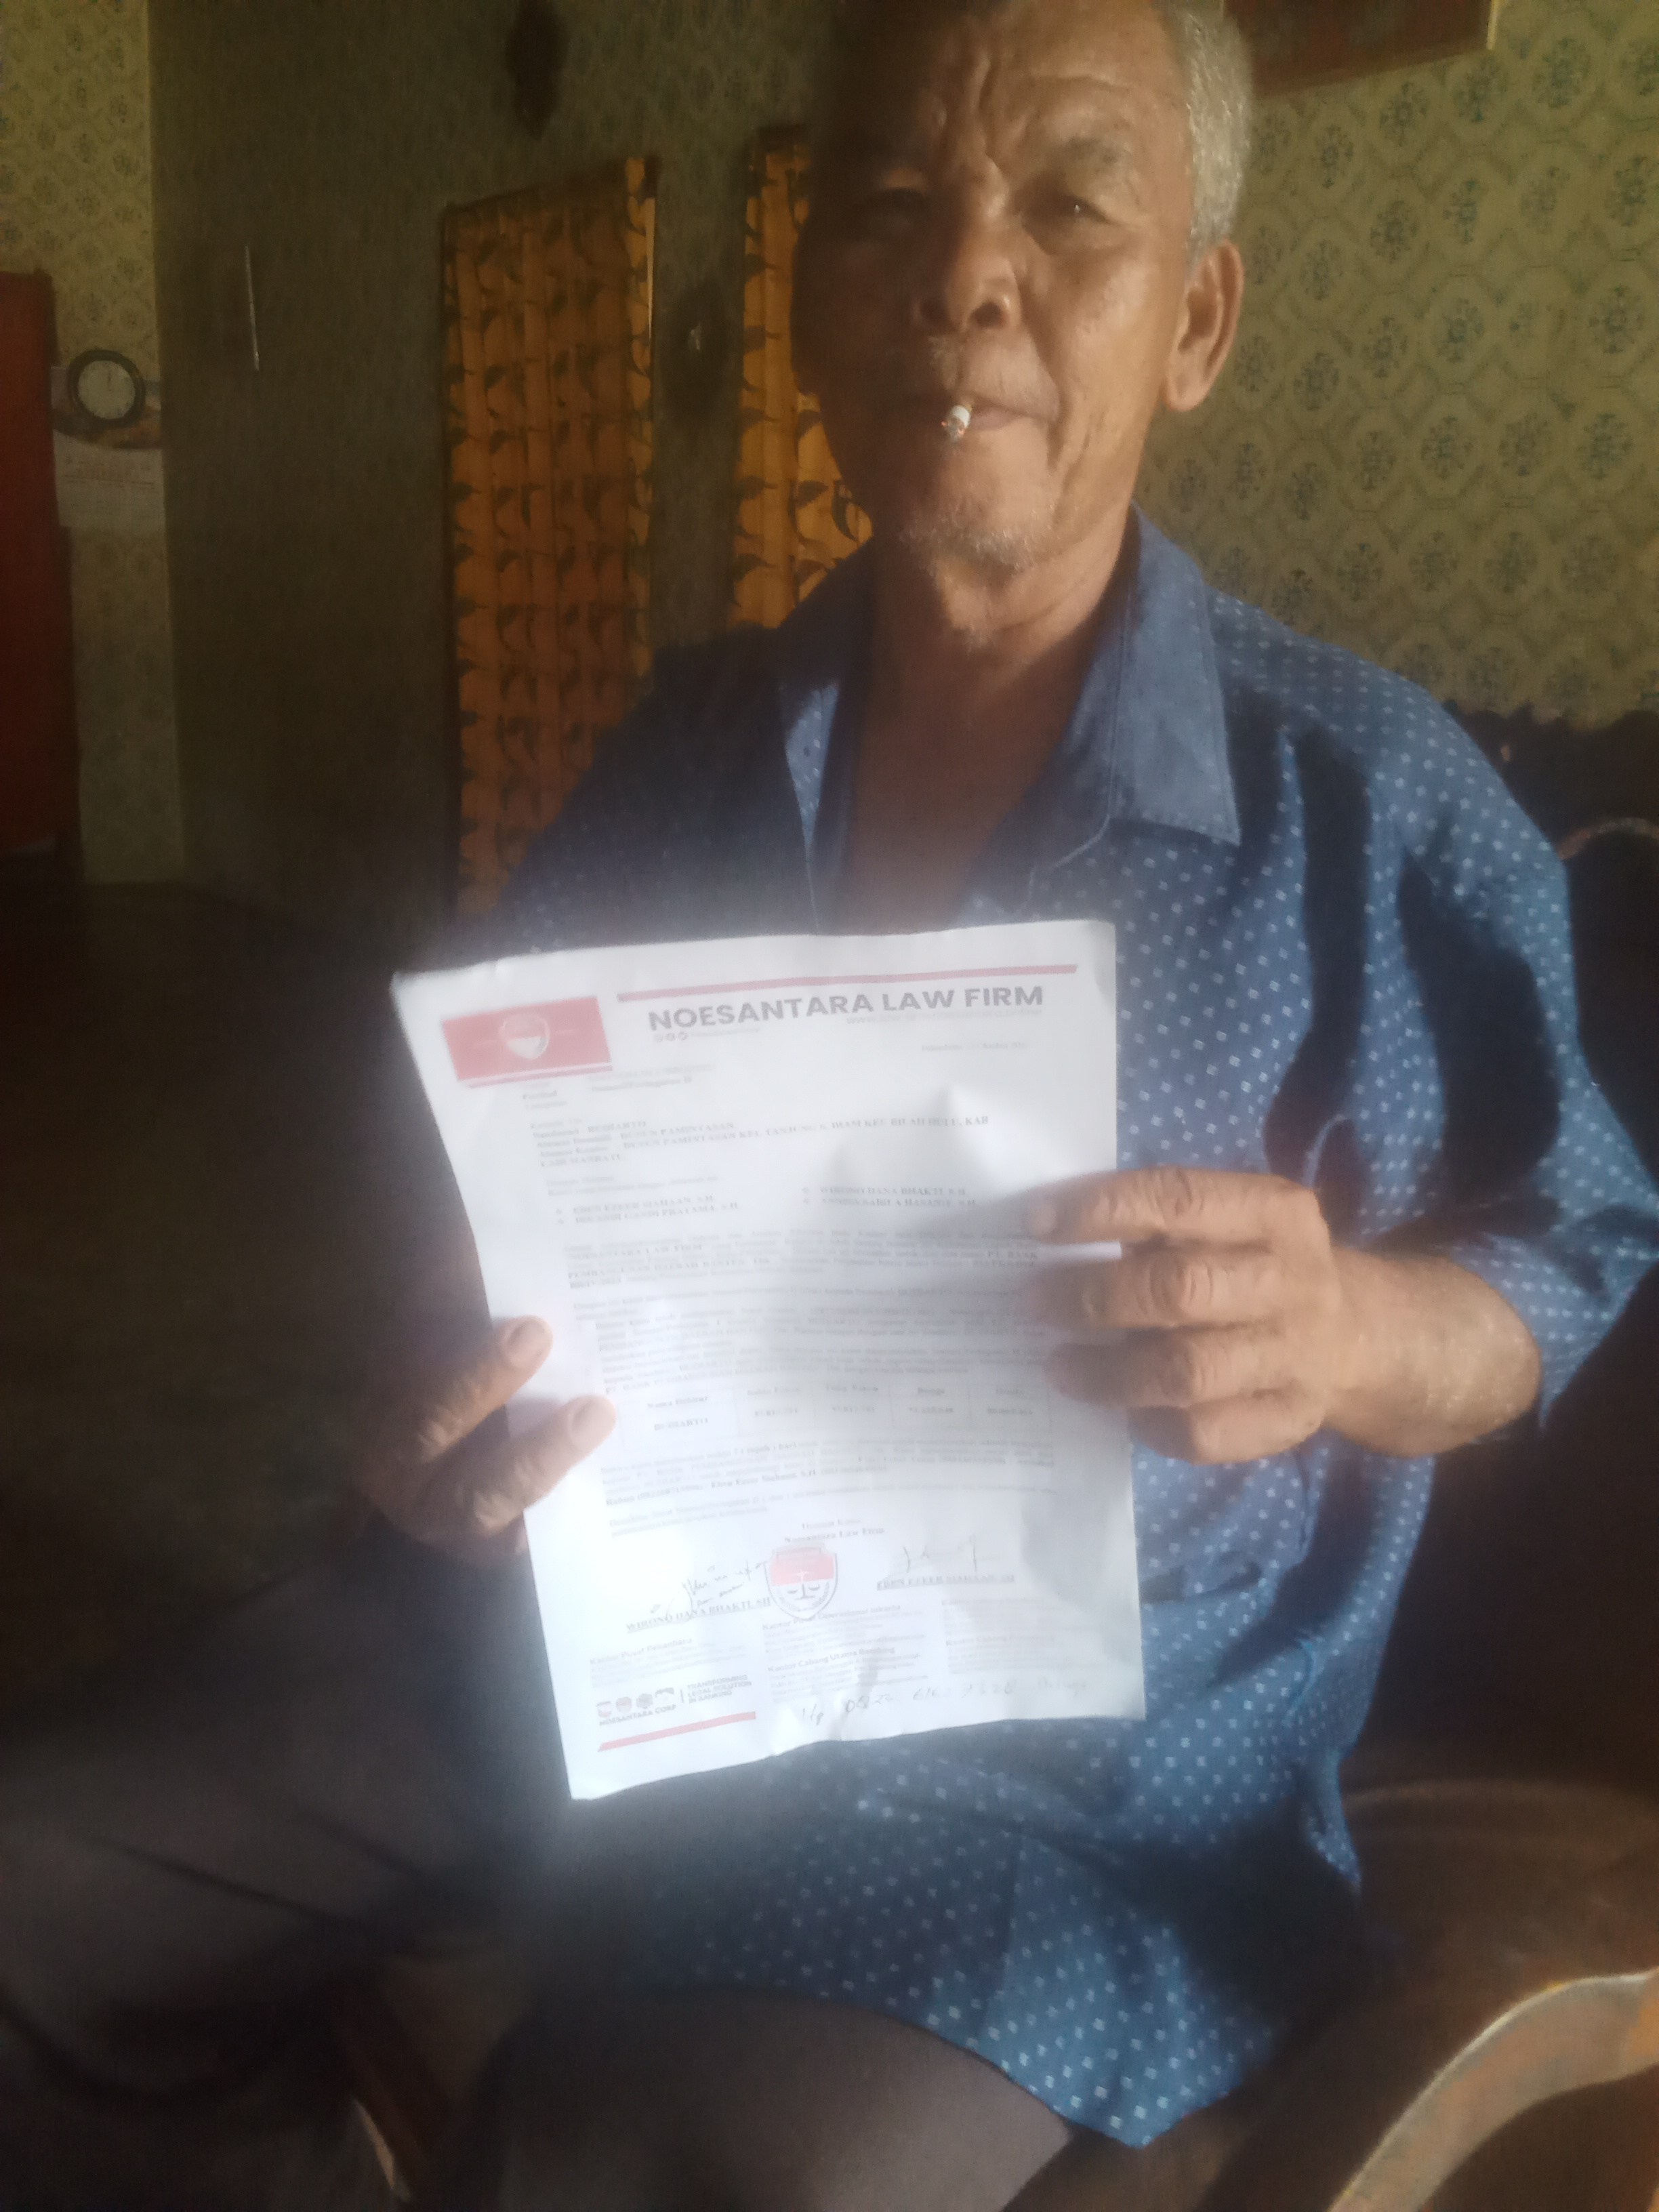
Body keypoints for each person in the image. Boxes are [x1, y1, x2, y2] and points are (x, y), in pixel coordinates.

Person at [3, 1, 1656, 2206]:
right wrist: (443, 1366)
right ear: (803, 297)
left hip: (1065, 1787)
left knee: (634, 2156)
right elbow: (490, 1171)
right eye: (890, 202)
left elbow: (1577, 1248)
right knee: (31, 1879)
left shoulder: (1373, 812)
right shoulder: (688, 750)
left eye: (1068, 207)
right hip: (608, 1645)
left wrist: (1355, 1327)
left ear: (1198, 321)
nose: (965, 273)